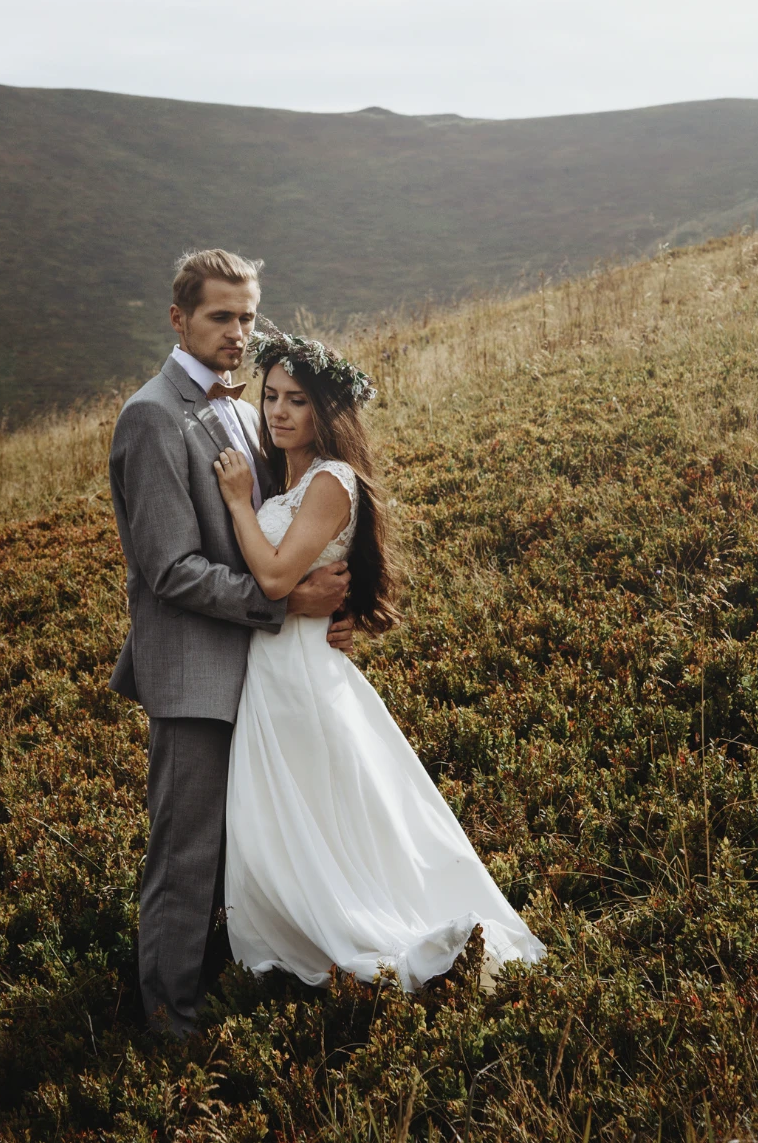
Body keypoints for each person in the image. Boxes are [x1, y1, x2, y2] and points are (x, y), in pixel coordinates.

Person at [209, 330, 546, 991]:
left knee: (320, 808)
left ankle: (357, 930)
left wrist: (235, 501)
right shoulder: (295, 477)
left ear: (325, 410)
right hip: (277, 670)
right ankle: (303, 928)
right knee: (293, 812)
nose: (277, 411)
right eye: (270, 396)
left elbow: (276, 578)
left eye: (296, 400)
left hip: (300, 674)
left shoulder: (331, 479)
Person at [108, 249, 355, 1036]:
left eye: (248, 316)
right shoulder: (151, 416)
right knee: (185, 857)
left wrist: (327, 608)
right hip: (192, 675)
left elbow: (281, 532)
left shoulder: (249, 411)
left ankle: (208, 987)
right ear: (179, 318)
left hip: (253, 673)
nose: (239, 332)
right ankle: (166, 1026)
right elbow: (171, 569)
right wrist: (282, 606)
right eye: (222, 316)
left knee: (234, 851)